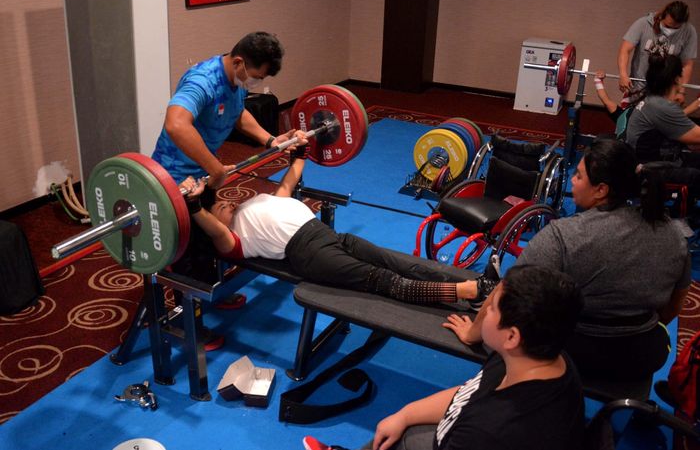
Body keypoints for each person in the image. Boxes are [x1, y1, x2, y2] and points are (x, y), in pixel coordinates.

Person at [444, 138, 691, 381]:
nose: (572, 180)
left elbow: (507, 291)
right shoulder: (673, 233)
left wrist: (473, 333)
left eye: (579, 176)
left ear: (601, 190)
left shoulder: (565, 234)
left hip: (574, 353)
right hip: (644, 354)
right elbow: (674, 306)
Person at [302, 265, 585, 450]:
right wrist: (404, 414)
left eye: (492, 308)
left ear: (512, 336)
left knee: (405, 441)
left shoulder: (491, 432)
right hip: (453, 432)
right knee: (400, 431)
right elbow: (469, 392)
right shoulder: (539, 358)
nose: (482, 311)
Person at [180, 144, 491, 306]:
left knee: (393, 259)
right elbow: (210, 225)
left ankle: (469, 281)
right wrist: (193, 204)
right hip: (309, 254)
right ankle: (462, 291)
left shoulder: (256, 202)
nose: (227, 202)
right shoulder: (231, 240)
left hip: (329, 236)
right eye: (220, 207)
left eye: (224, 200)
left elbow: (288, 182)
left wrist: (299, 153)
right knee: (383, 280)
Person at [152, 31, 294, 189]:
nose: (257, 83)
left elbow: (236, 111)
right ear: (238, 62)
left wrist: (270, 140)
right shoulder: (202, 81)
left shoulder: (238, 79)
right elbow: (176, 124)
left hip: (204, 169)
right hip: (173, 174)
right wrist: (216, 170)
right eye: (256, 77)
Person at [625, 54, 700, 195]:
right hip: (650, 168)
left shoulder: (653, 100)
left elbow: (688, 137)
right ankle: (682, 214)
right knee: (695, 176)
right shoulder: (661, 107)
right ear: (677, 79)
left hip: (658, 160)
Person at [618, 1, 697, 107]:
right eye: (668, 26)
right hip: (638, 88)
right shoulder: (643, 23)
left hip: (666, 92)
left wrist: (680, 91)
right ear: (662, 16)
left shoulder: (689, 31)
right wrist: (623, 74)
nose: (670, 30)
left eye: (675, 28)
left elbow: (687, 64)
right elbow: (625, 50)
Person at [592, 69, 700, 139]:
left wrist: (598, 80)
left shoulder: (623, 113)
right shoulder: (647, 114)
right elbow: (671, 119)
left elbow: (605, 99)